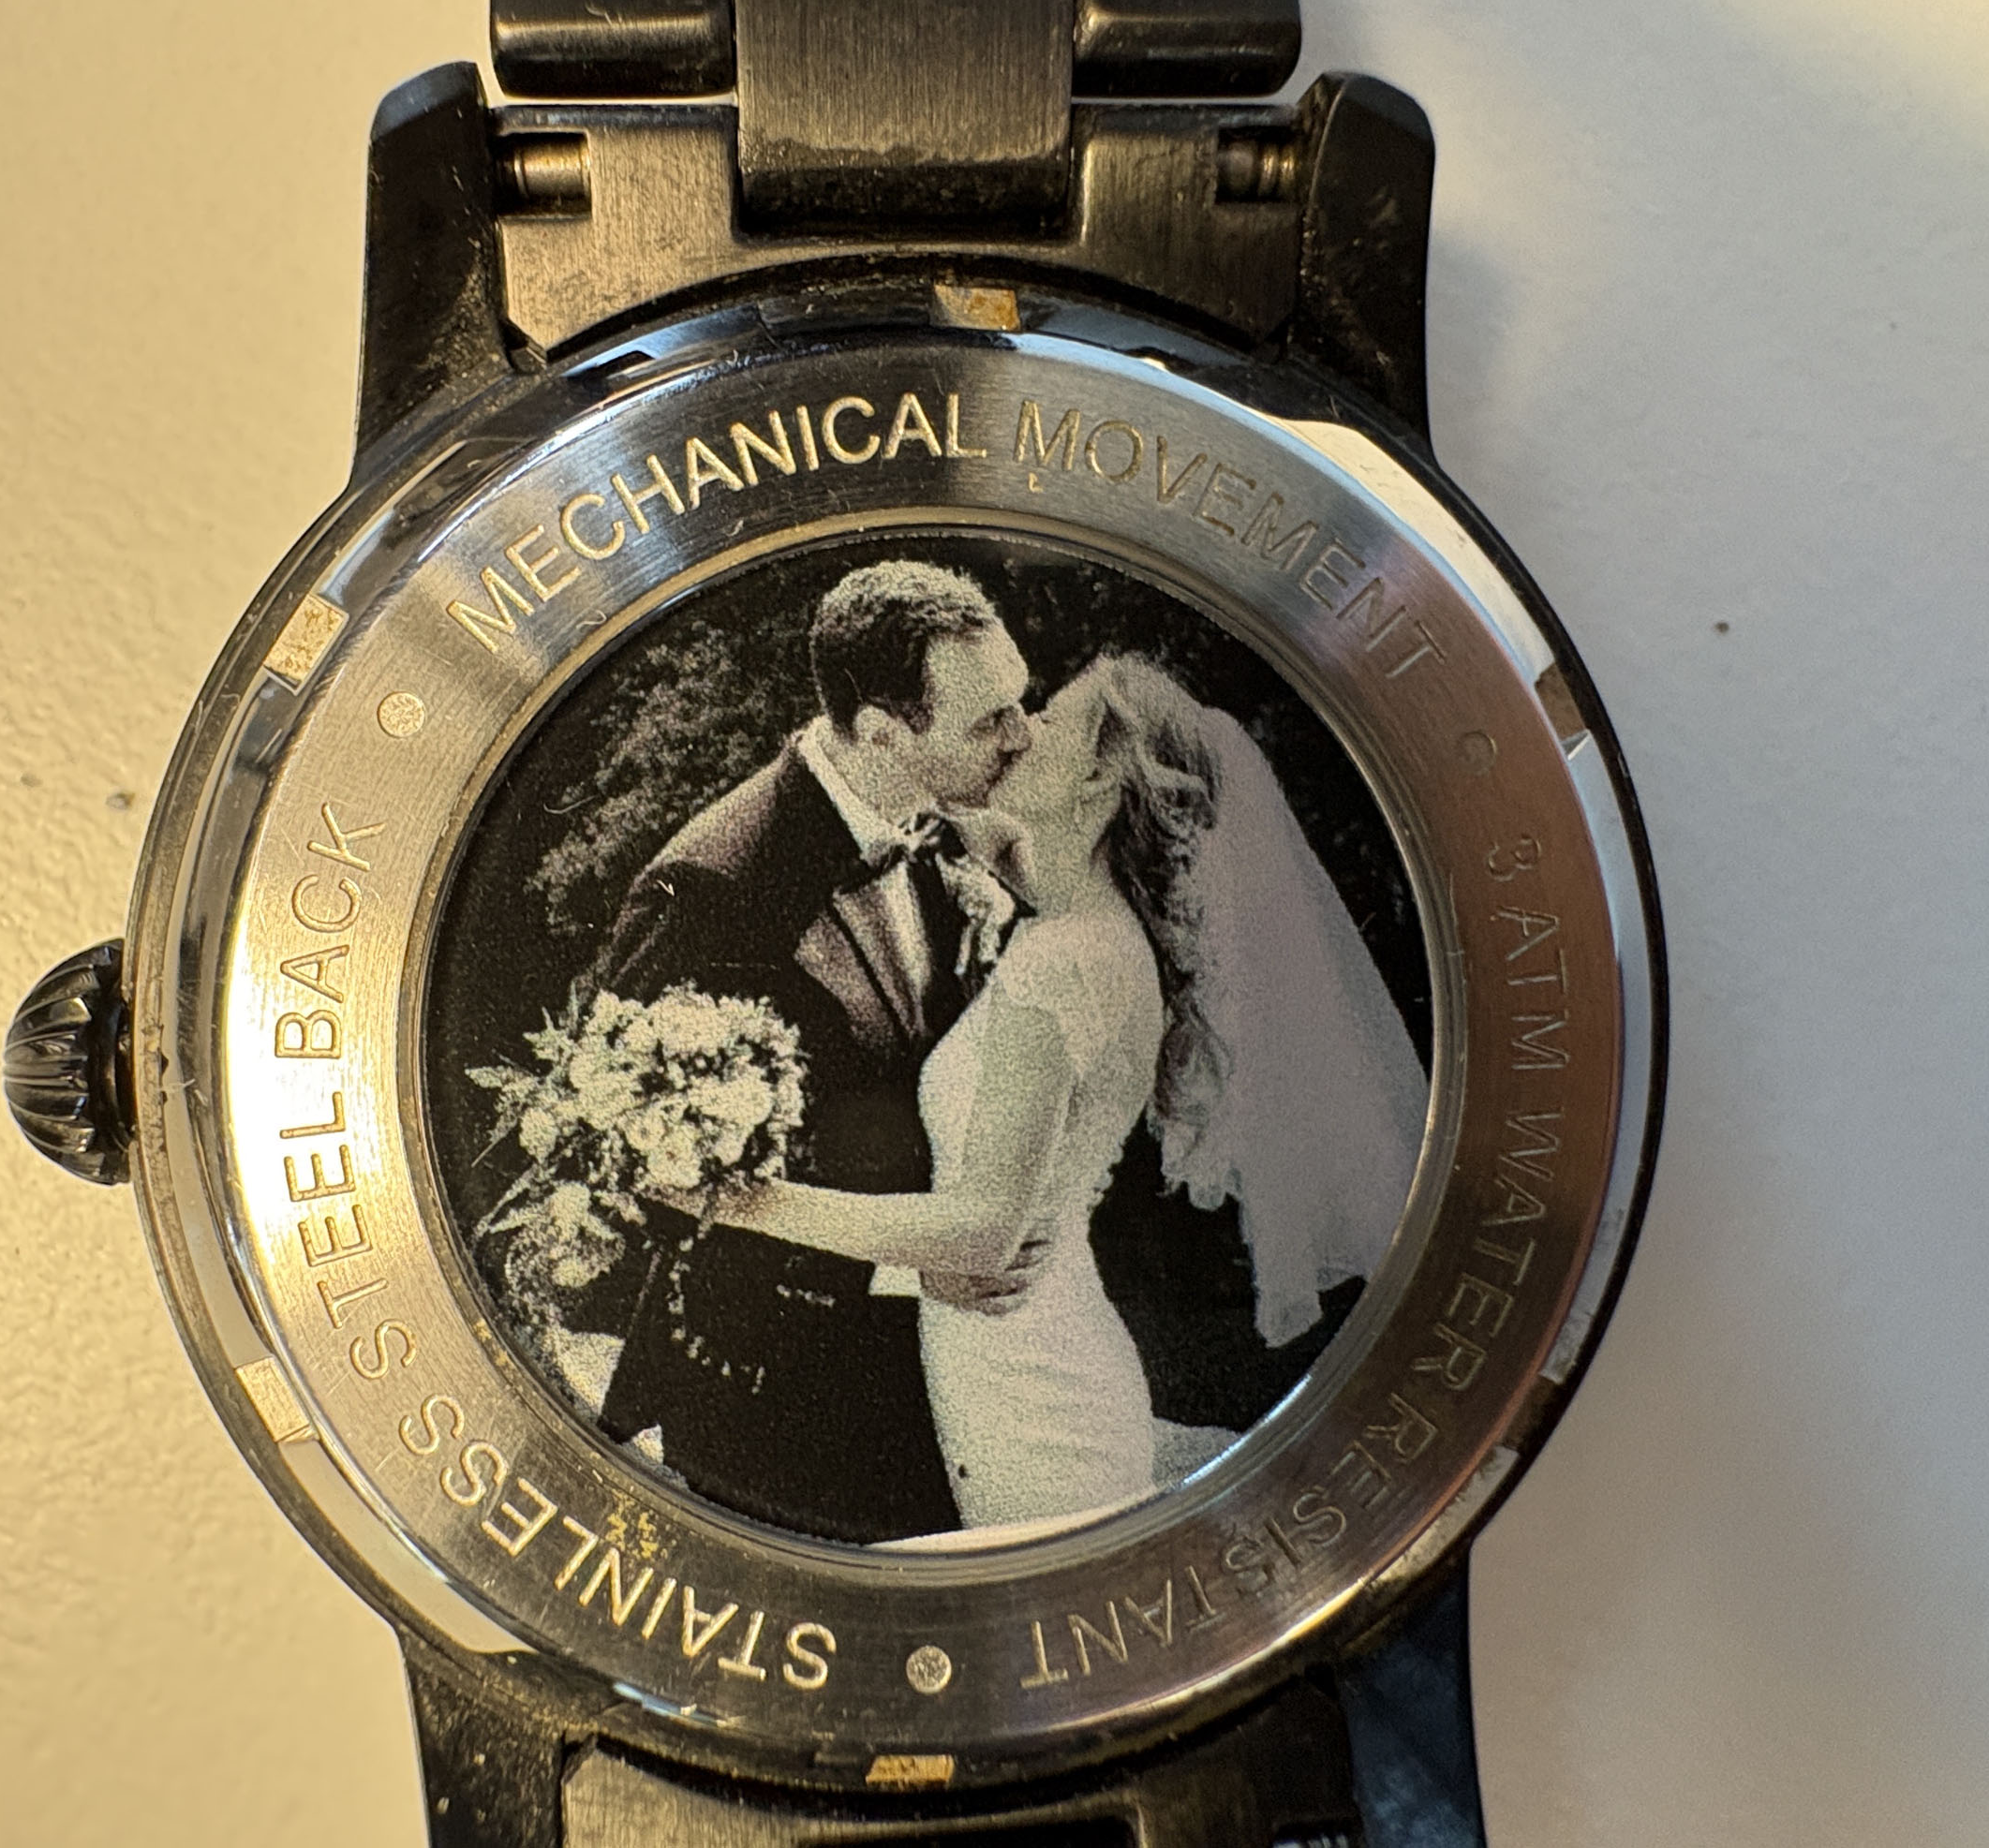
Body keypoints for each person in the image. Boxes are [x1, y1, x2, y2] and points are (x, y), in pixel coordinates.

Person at [688, 654, 1433, 1536]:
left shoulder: (1061, 962)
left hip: (1033, 1391)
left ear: (1097, 785)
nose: (1018, 730)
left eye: (1048, 721)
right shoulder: (1093, 935)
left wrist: (732, 1199)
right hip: (1022, 1349)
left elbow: (982, 1233)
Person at [586, 558, 1038, 1544]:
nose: (1024, 735)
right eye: (989, 720)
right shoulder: (713, 887)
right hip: (774, 1390)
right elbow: (641, 1166)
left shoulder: (948, 831)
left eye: (1021, 699)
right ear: (880, 732)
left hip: (938, 1365)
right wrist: (916, 1263)